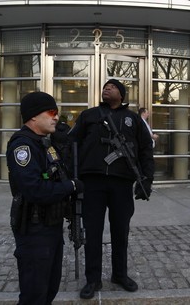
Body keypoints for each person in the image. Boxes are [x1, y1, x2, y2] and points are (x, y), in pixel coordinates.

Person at [70, 79, 154, 300]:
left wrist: (147, 179)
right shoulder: (89, 115)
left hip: (122, 183)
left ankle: (119, 274)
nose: (107, 88)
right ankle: (93, 279)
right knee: (93, 232)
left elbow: (146, 149)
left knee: (120, 231)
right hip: (92, 183)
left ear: (122, 94)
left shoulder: (133, 119)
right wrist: (72, 178)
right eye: (105, 86)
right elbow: (72, 144)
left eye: (113, 86)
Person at [6, 91, 83, 305]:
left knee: (49, 288)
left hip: (50, 226)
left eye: (56, 113)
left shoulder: (44, 143)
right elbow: (35, 190)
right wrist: (71, 186)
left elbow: (58, 172)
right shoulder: (23, 147)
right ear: (33, 116)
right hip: (34, 229)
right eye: (51, 112)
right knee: (34, 294)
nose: (56, 117)